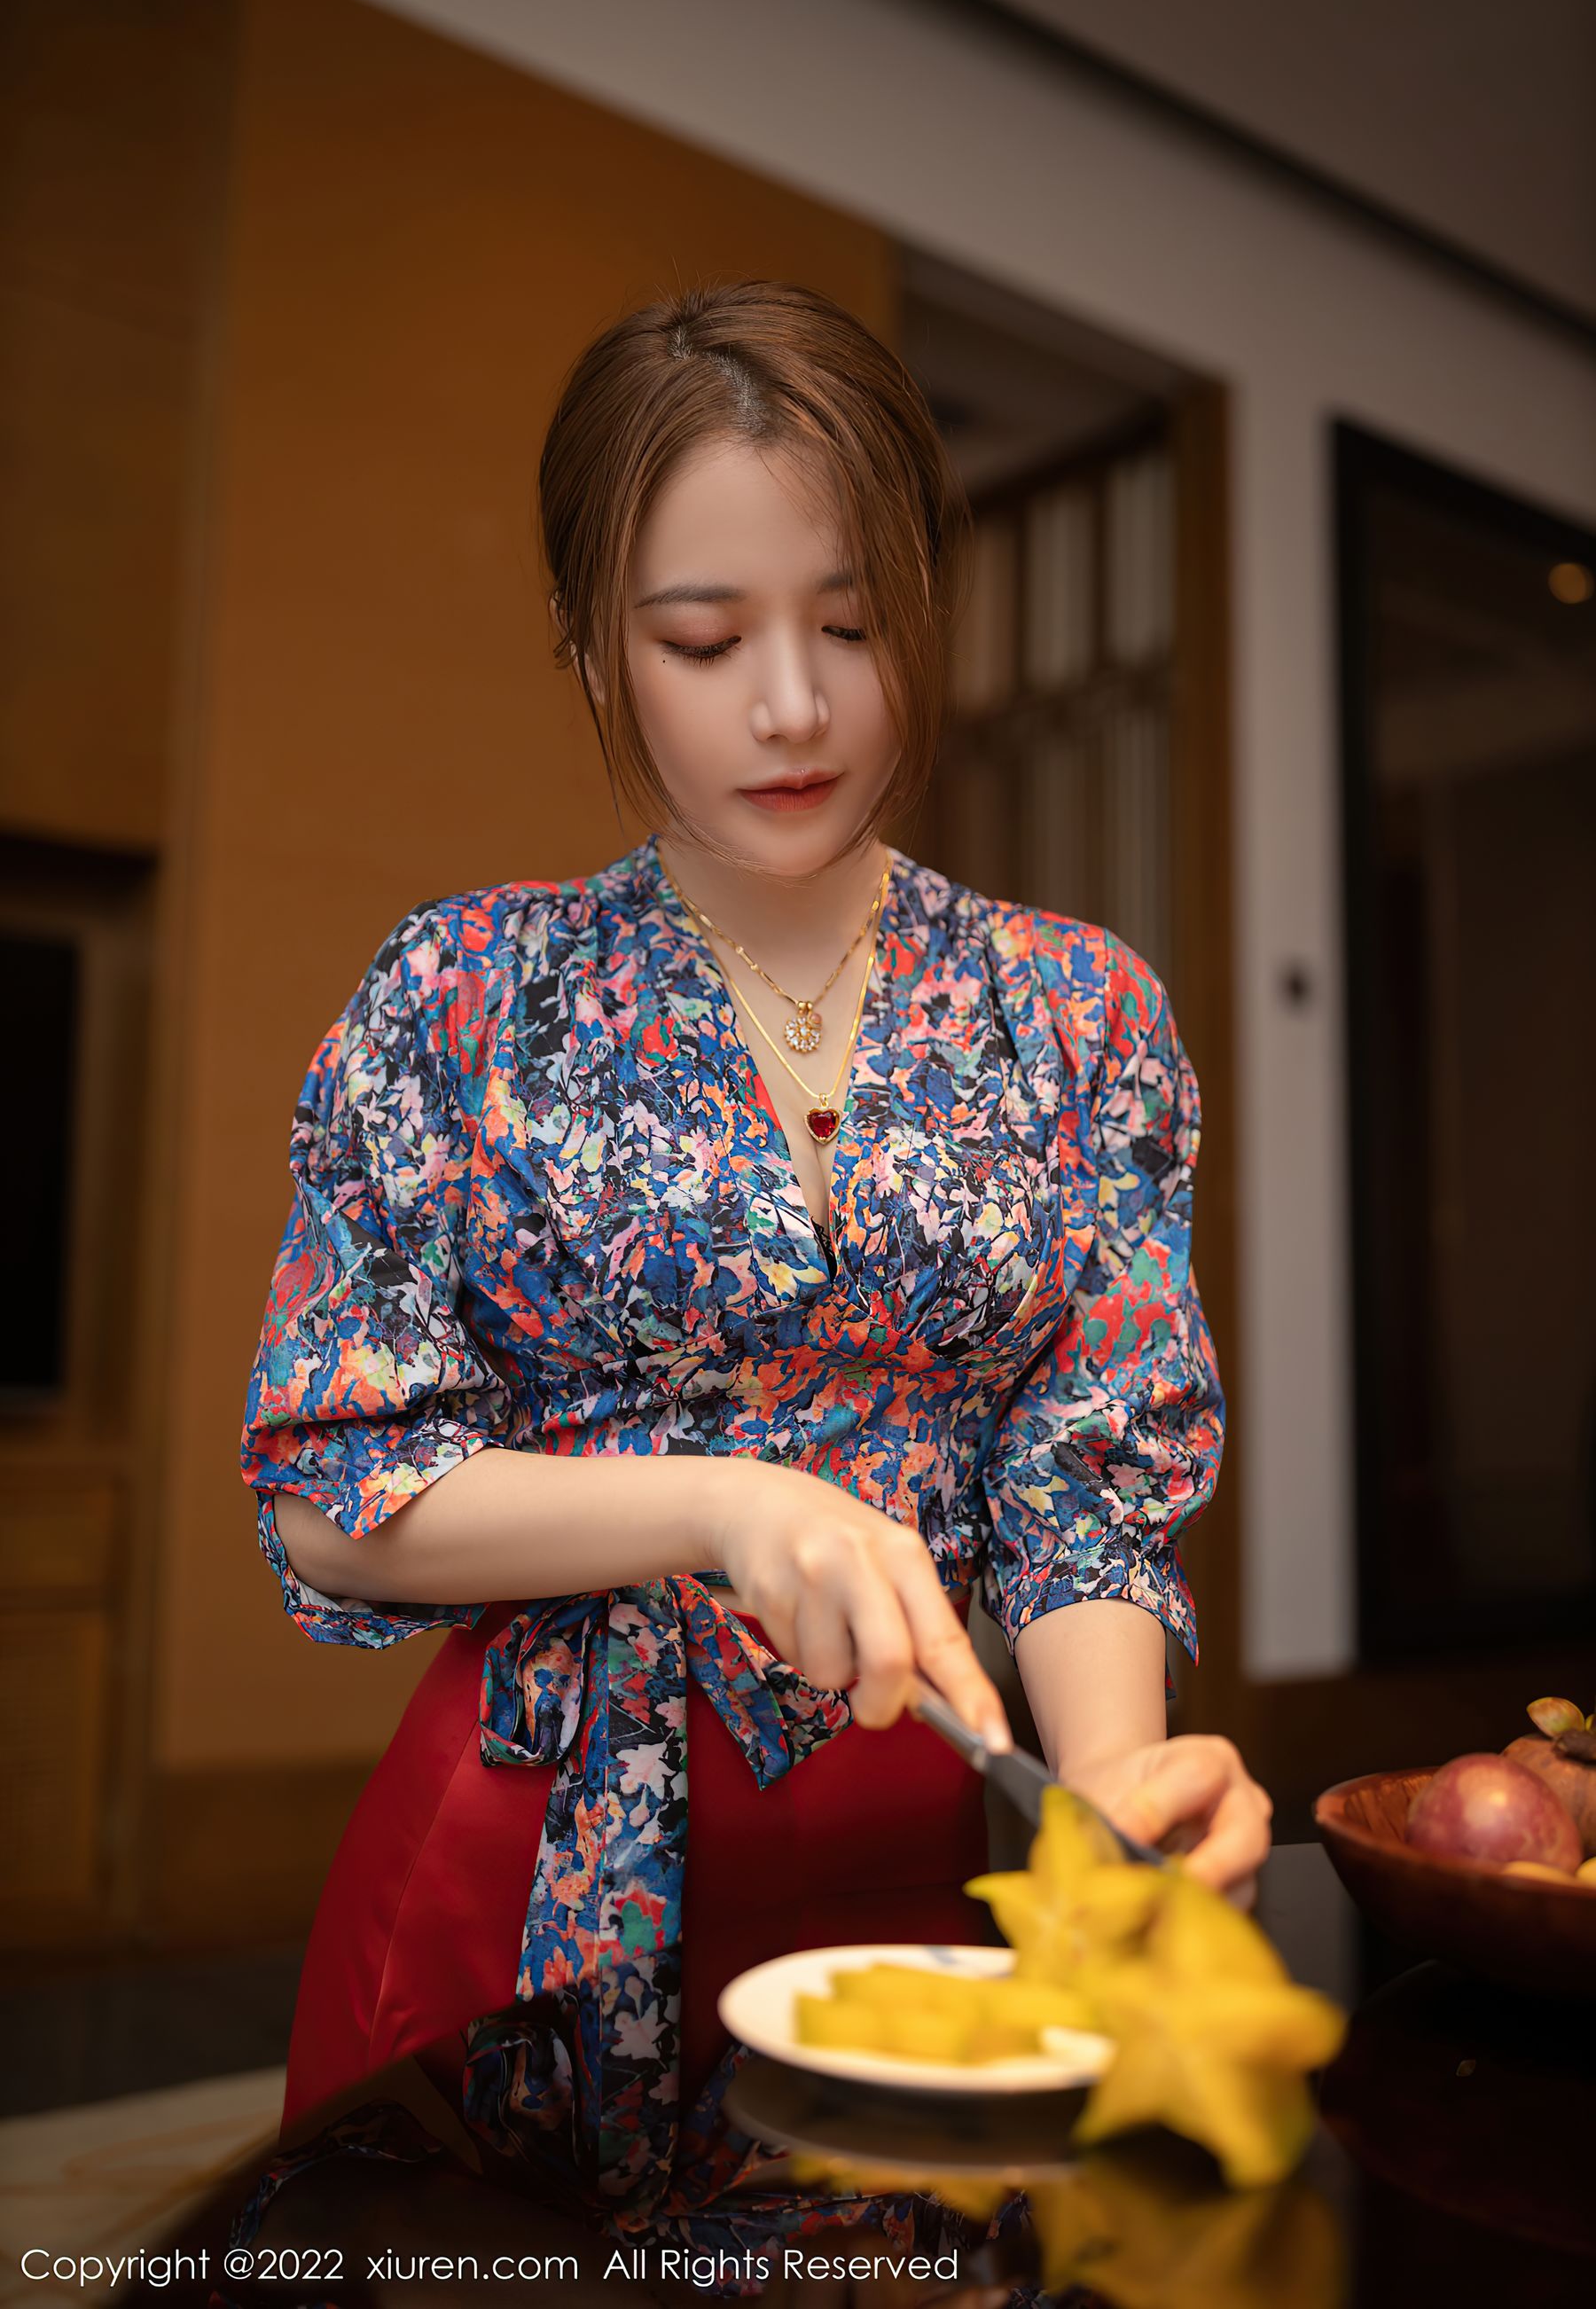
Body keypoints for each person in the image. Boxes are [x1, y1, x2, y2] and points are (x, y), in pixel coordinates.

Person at [240, 278, 1270, 2237]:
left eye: (853, 625)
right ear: (592, 644)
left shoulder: (1080, 1014)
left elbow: (1084, 1489)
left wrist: (1111, 1805)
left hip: (924, 1856)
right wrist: (726, 1503)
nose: (793, 706)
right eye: (703, 640)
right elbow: (332, 1494)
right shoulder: (464, 993)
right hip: (525, 1872)